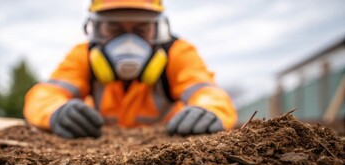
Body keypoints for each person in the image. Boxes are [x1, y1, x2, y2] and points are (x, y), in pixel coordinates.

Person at [24, 0, 237, 138]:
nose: (128, 42)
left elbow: (208, 92)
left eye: (141, 28)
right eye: (114, 28)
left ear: (157, 28)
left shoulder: (177, 53)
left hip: (167, 146)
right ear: (96, 28)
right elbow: (44, 95)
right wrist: (56, 112)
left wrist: (210, 111)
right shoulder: (83, 55)